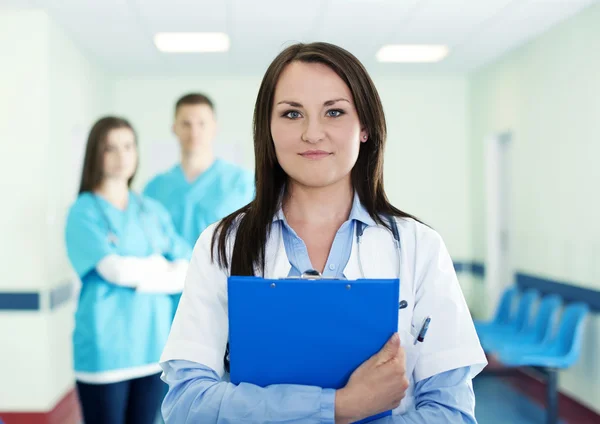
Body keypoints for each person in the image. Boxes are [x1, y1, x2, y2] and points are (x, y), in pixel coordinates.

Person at [159, 42, 487, 423]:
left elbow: (452, 412)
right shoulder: (223, 245)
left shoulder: (418, 247)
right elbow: (187, 405)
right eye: (292, 113)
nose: (313, 133)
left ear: (364, 127)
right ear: (268, 128)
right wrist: (339, 408)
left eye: (334, 112)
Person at [65, 117, 192, 424]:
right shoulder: (84, 211)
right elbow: (115, 271)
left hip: (152, 347)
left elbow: (187, 269)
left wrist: (140, 272)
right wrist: (161, 267)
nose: (122, 156)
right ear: (96, 154)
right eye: (110, 148)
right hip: (105, 351)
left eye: (128, 146)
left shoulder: (150, 209)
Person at [143, 93, 255, 249]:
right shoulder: (154, 189)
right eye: (186, 124)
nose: (194, 132)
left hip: (225, 271)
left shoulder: (243, 183)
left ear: (215, 127)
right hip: (170, 272)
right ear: (174, 128)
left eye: (201, 124)